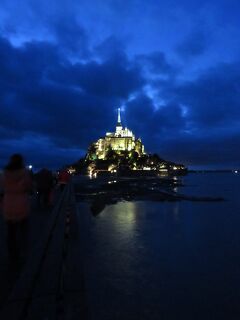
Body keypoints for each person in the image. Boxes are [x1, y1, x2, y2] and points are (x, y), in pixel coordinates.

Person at [1, 154, 32, 262]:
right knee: (23, 230)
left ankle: (12, 254)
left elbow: (2, 187)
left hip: (8, 203)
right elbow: (28, 187)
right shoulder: (24, 173)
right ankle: (23, 252)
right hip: (21, 203)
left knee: (11, 232)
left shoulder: (4, 173)